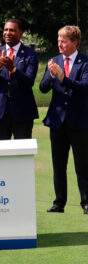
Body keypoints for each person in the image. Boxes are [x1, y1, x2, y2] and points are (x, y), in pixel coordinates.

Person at [40, 25, 88, 214]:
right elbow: (43, 88)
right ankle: (59, 203)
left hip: (80, 121)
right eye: (58, 40)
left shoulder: (85, 62)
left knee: (82, 164)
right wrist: (52, 75)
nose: (59, 44)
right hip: (57, 121)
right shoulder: (53, 61)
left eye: (64, 41)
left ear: (74, 42)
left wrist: (63, 78)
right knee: (58, 164)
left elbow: (84, 86)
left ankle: (86, 202)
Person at [0, 18, 39, 140]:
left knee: (22, 154)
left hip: (23, 112)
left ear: (21, 33)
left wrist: (13, 69)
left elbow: (29, 82)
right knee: (1, 155)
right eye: (5, 29)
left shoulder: (30, 54)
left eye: (12, 30)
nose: (7, 33)